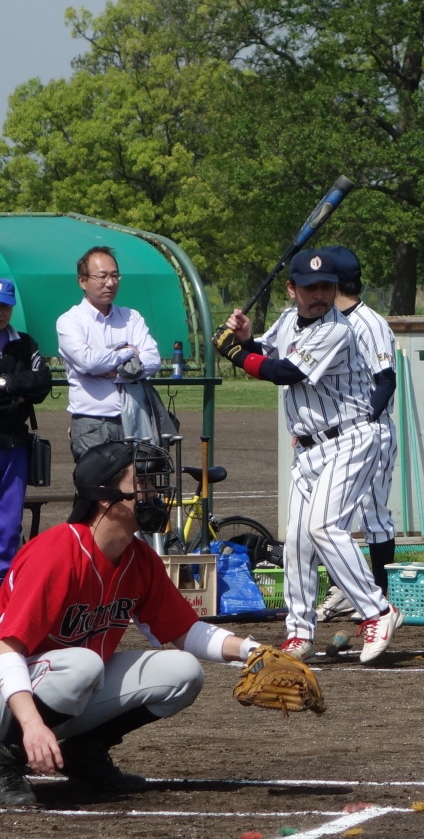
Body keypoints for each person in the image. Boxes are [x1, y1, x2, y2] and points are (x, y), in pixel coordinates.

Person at [0, 440, 264, 806]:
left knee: (183, 672)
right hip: (10, 687)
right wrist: (31, 724)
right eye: (142, 482)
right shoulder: (57, 551)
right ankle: (4, 759)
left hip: (56, 682)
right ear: (104, 495)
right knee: (83, 664)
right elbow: (7, 647)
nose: (154, 492)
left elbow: (185, 631)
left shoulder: (138, 558)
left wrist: (254, 651)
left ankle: (83, 752)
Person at [211, 248, 400, 664]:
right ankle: (300, 633)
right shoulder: (287, 320)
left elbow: (285, 372)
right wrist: (244, 339)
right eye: (310, 287)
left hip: (350, 438)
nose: (319, 295)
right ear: (291, 288)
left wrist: (233, 354)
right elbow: (267, 352)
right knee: (297, 541)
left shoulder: (337, 329)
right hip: (310, 447)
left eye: (326, 287)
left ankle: (378, 611)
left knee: (324, 527)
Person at [314, 245, 398, 622]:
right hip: (339, 435)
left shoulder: (369, 323)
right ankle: (347, 590)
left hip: (372, 430)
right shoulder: (329, 321)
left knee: (372, 514)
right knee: (333, 516)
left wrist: (363, 423)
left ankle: (379, 596)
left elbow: (386, 381)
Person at [56, 246, 163, 461]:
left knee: (141, 481)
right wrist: (128, 353)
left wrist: (115, 373)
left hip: (135, 418)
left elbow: (153, 360)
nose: (111, 283)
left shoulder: (131, 317)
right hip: (93, 425)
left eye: (115, 276)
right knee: (98, 482)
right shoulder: (69, 321)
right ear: (82, 281)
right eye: (102, 276)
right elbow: (89, 363)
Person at [0, 278, 52, 577]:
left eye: (5, 306)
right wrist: (17, 396)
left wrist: (7, 383)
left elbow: (42, 383)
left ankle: (4, 582)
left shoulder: (24, 342)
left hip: (14, 443)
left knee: (9, 522)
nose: (1, 312)